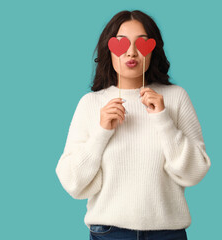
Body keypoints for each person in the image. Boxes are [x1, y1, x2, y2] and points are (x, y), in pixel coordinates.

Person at [55, 10, 211, 240]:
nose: (131, 52)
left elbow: (195, 172)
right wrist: (101, 132)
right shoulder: (90, 104)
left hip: (167, 233)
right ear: (109, 49)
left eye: (141, 43)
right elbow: (73, 183)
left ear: (152, 49)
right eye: (122, 44)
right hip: (108, 233)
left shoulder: (176, 97)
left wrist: (163, 120)